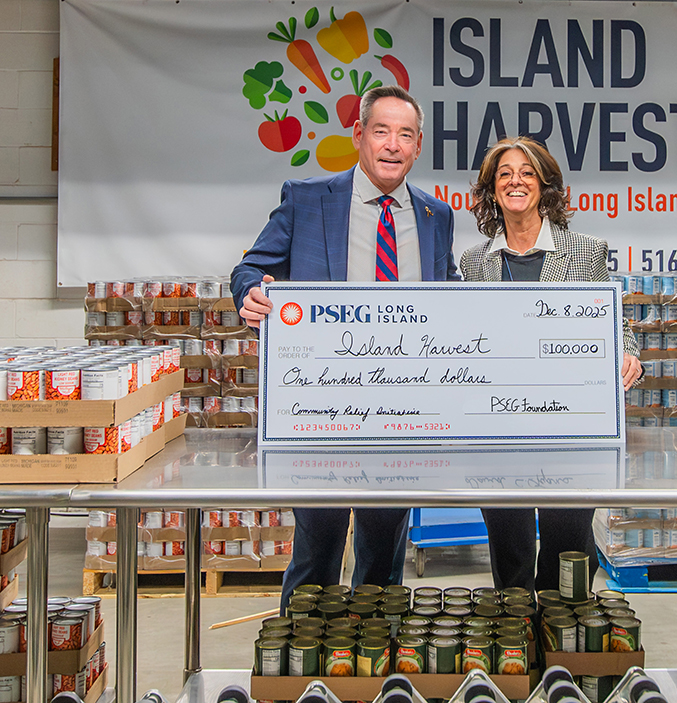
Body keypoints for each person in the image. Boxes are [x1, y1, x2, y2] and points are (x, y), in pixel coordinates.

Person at [230, 85, 459, 613]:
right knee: (318, 551)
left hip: (404, 413)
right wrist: (250, 294)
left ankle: (373, 674)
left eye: (405, 135)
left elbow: (448, 296)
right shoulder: (309, 200)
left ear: (418, 146)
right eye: (381, 131)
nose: (392, 145)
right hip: (324, 414)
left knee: (382, 560)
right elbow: (249, 268)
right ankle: (300, 674)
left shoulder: (434, 216)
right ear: (358, 136)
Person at [459, 136, 642, 594]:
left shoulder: (585, 250)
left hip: (569, 428)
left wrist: (628, 352)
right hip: (497, 428)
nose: (515, 181)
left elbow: (615, 321)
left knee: (567, 546)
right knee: (509, 547)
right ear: (491, 189)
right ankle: (516, 640)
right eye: (504, 173)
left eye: (526, 172)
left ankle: (563, 646)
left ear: (544, 184)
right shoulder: (475, 262)